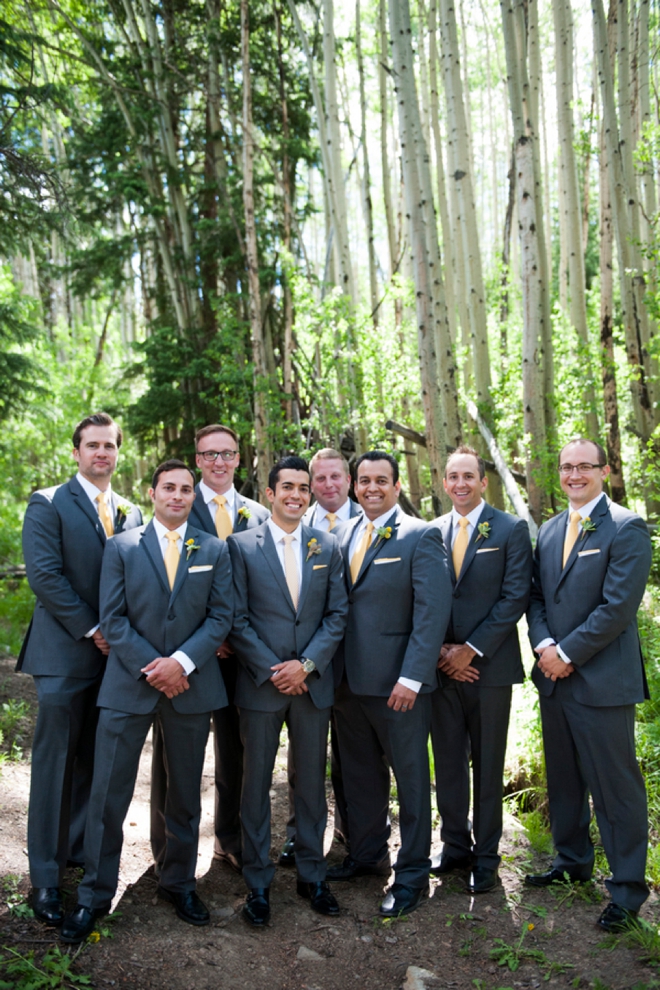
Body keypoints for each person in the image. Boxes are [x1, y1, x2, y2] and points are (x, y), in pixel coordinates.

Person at [60, 460, 233, 943]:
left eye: (185, 489)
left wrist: (181, 663)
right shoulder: (121, 547)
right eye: (169, 488)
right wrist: (156, 668)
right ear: (152, 492)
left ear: (193, 497)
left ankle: (178, 883)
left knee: (183, 795)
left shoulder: (214, 549)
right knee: (107, 795)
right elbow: (111, 619)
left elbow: (221, 618)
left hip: (191, 686)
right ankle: (94, 895)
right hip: (128, 686)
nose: (177, 495)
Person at [18, 412, 142, 927]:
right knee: (53, 766)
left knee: (94, 761)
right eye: (92, 445)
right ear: (76, 452)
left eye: (110, 446)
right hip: (67, 654)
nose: (101, 454)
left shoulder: (132, 512)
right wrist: (93, 630)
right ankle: (44, 879)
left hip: (115, 663)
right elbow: (45, 577)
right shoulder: (48, 503)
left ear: (118, 452)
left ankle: (75, 851)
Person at [526, 438, 652, 932]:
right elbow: (535, 597)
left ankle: (626, 891)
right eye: (566, 467)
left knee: (616, 788)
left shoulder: (626, 527)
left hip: (602, 681)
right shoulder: (552, 529)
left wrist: (568, 653)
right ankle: (572, 863)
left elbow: (618, 607)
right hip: (553, 677)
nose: (575, 475)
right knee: (564, 779)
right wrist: (543, 647)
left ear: (603, 470)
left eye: (584, 467)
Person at [328, 450, 451, 917]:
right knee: (359, 777)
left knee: (412, 780)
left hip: (399, 686)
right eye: (364, 480)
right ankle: (367, 855)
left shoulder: (422, 536)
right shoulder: (343, 533)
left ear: (397, 487)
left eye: (382, 480)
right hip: (348, 684)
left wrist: (412, 677)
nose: (372, 488)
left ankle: (414, 873)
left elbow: (431, 614)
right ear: (354, 487)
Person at [227, 455, 349, 926]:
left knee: (311, 785)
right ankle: (258, 883)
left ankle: (311, 875)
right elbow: (235, 618)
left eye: (304, 487)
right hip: (262, 685)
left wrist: (308, 665)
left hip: (313, 685)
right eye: (289, 487)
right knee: (255, 784)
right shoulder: (241, 547)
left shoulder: (328, 545)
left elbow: (337, 614)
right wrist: (275, 669)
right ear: (270, 493)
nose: (298, 494)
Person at [150, 424, 268, 875]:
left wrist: (239, 639)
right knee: (174, 753)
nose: (219, 462)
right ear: (197, 460)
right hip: (190, 654)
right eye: (209, 454)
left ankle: (230, 839)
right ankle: (167, 852)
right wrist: (203, 641)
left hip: (243, 656)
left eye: (227, 453)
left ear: (239, 458)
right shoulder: (177, 505)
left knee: (237, 752)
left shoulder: (259, 514)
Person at [431, 446, 532, 893]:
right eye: (453, 476)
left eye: (468, 476)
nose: (460, 484)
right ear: (445, 481)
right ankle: (455, 845)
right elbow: (425, 598)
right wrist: (441, 654)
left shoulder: (510, 529)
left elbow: (514, 597)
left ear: (483, 481)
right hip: (441, 668)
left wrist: (469, 651)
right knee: (449, 762)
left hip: (489, 670)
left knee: (486, 765)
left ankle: (486, 857)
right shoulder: (432, 532)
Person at [280, 448, 361, 866]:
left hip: (359, 662)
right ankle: (300, 834)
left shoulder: (369, 518)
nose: (328, 485)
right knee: (303, 758)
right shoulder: (298, 523)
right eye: (320, 479)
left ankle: (356, 832)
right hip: (308, 665)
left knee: (353, 755)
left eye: (336, 477)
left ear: (348, 480)